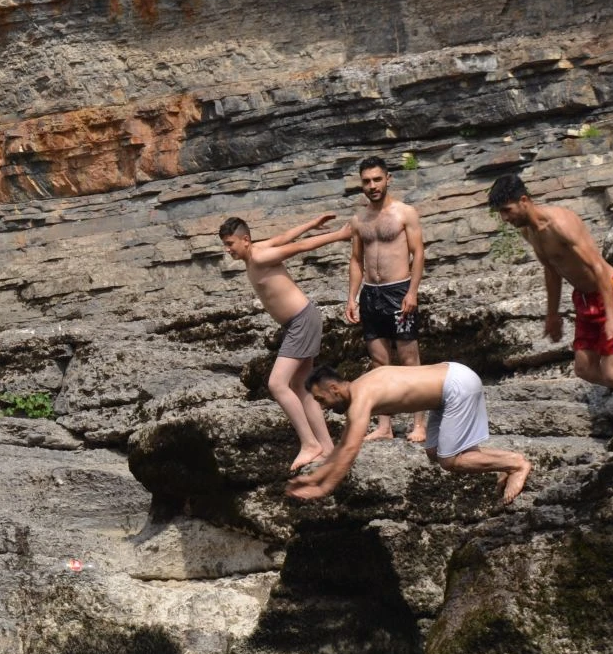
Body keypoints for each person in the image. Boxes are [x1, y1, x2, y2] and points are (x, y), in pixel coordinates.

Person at [489, 174, 613, 422]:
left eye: (507, 210)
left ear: (524, 200)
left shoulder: (561, 224)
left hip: (612, 292)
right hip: (584, 298)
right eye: (501, 213)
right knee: (584, 369)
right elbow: (551, 270)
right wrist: (552, 315)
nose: (505, 218)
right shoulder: (528, 232)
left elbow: (597, 268)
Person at [220, 213, 354, 472]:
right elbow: (285, 237)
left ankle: (309, 444)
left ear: (245, 240)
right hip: (300, 321)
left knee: (277, 384)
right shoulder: (256, 250)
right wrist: (311, 223)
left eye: (230, 244)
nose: (228, 250)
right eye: (225, 245)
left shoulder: (259, 256)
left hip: (301, 321)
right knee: (300, 386)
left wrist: (338, 235)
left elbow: (299, 247)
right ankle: (326, 447)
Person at [286, 363, 531, 504]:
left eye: (321, 399)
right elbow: (341, 447)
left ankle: (515, 463)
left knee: (450, 460)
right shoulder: (359, 391)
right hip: (447, 387)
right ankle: (499, 465)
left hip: (456, 385)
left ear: (334, 388)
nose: (321, 406)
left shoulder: (362, 396)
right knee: (435, 453)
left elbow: (351, 449)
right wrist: (315, 477)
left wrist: (324, 488)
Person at [345, 157, 427, 442]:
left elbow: (418, 254)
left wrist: (412, 292)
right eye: (366, 181)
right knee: (379, 362)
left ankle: (419, 424)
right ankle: (384, 426)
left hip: (398, 290)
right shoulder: (358, 220)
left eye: (377, 179)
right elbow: (356, 260)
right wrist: (352, 297)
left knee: (408, 358)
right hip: (371, 294)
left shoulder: (405, 213)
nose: (372, 186)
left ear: (388, 179)